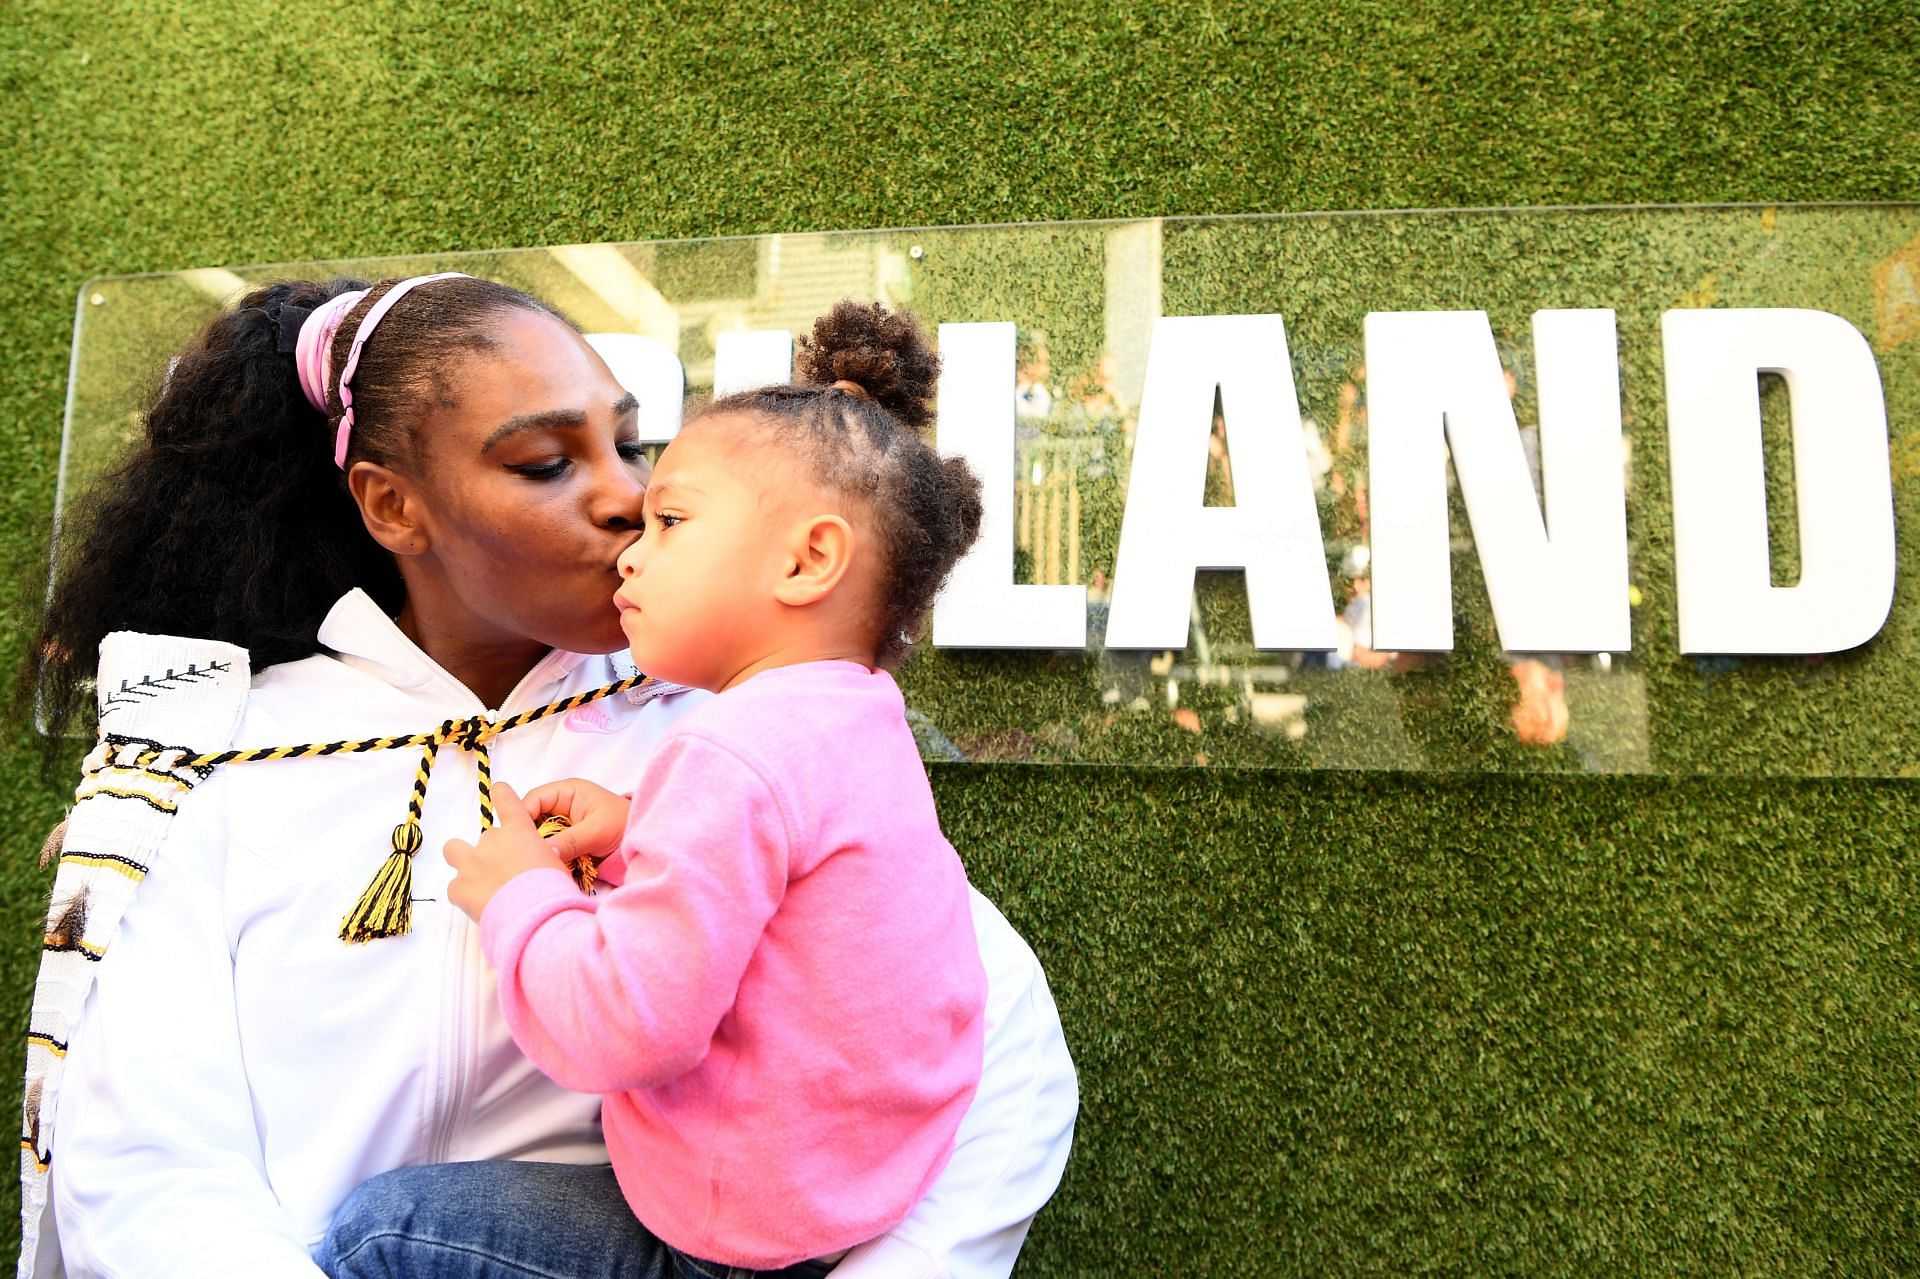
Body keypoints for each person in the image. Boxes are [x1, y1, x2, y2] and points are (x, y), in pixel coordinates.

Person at [21, 274, 1077, 1277]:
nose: (627, 500)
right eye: (545, 463)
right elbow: (144, 1158)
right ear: (393, 507)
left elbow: (998, 1051)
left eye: (627, 446)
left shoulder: (738, 735)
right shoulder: (226, 757)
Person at [324, 302, 992, 1276]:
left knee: (377, 1232)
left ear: (808, 561)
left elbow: (626, 1027)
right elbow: (808, 885)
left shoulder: (731, 749)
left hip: (728, 1238)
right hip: (851, 1192)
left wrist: (520, 895)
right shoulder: (854, 713)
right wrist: (640, 827)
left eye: (672, 521)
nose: (632, 547)